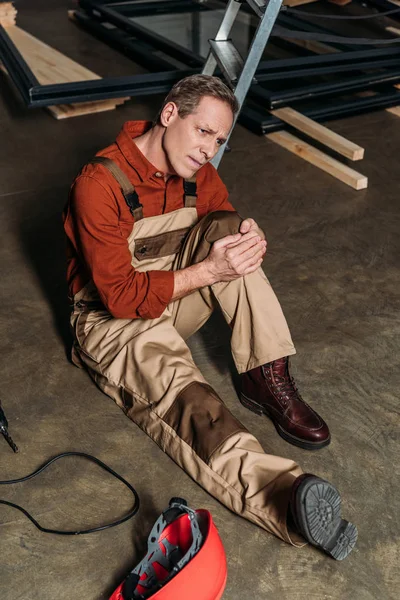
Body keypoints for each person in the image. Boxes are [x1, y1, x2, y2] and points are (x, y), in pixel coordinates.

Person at [63, 75, 357, 560]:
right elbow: (118, 296)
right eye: (203, 132)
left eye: (220, 140)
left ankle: (266, 375)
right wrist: (210, 269)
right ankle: (284, 499)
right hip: (114, 325)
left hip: (169, 300)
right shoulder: (100, 183)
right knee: (193, 403)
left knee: (228, 231)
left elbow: (221, 216)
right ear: (169, 114)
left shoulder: (199, 173)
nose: (209, 150)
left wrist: (248, 234)